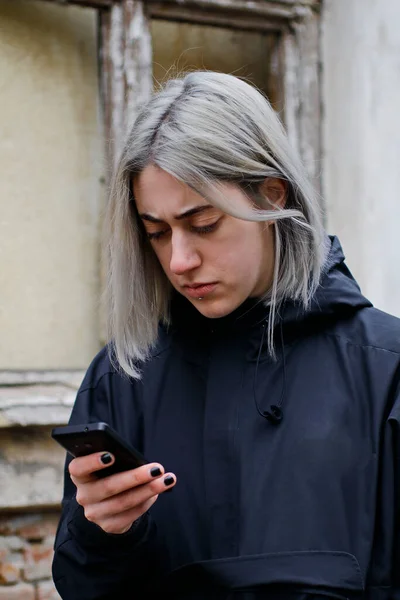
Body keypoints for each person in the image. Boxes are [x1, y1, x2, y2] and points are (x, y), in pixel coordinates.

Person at [52, 71, 400, 600]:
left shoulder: (387, 368)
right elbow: (85, 588)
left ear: (270, 197)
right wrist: (103, 533)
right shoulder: (122, 376)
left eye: (204, 222)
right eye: (157, 232)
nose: (180, 260)